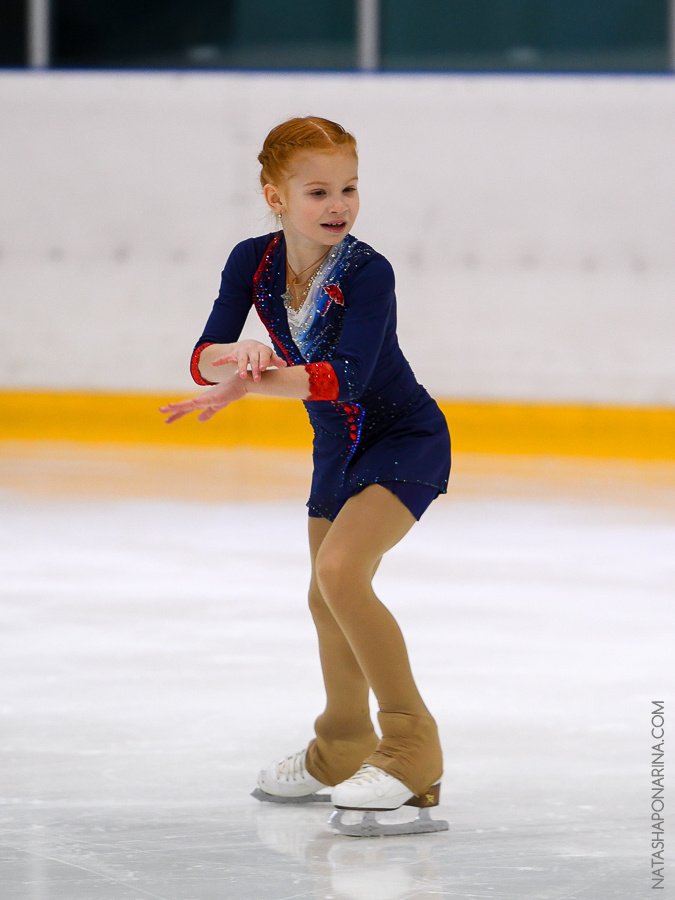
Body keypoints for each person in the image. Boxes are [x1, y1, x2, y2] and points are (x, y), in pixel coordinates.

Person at [160, 116, 451, 830]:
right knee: (325, 598)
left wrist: (250, 380)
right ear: (276, 196)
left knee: (341, 574)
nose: (338, 205)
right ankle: (342, 743)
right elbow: (203, 356)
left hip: (403, 438)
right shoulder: (251, 261)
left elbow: (343, 378)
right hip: (335, 448)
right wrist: (241, 357)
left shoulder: (368, 272)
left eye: (349, 188)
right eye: (318, 191)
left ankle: (411, 744)